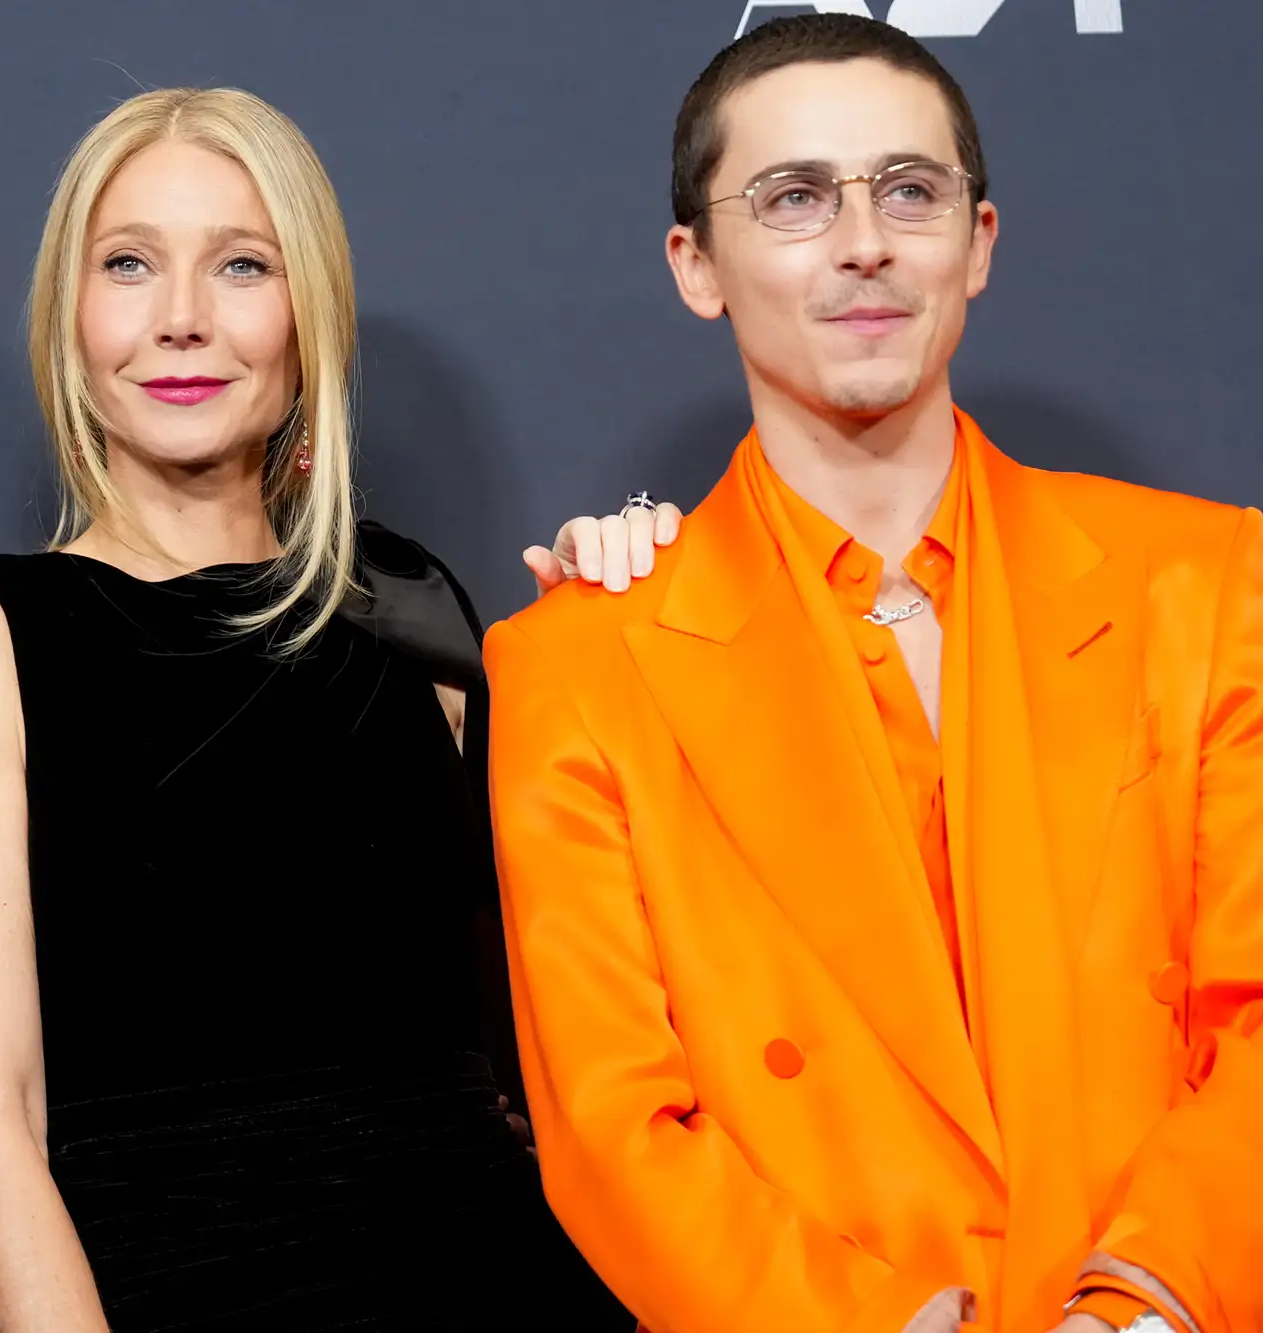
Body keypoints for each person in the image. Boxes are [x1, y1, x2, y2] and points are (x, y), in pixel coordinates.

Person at [487, 15, 1263, 1333]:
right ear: (697, 264)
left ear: (979, 243)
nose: (864, 242)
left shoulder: (1210, 583)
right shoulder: (575, 661)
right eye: (794, 198)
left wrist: (1141, 1305)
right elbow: (619, 1124)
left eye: (911, 191)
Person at [0, 87, 650, 1331]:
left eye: (241, 265)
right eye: (127, 265)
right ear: (70, 318)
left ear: (308, 315)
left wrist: (628, 604)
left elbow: (577, 1019)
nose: (180, 319)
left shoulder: (410, 605)